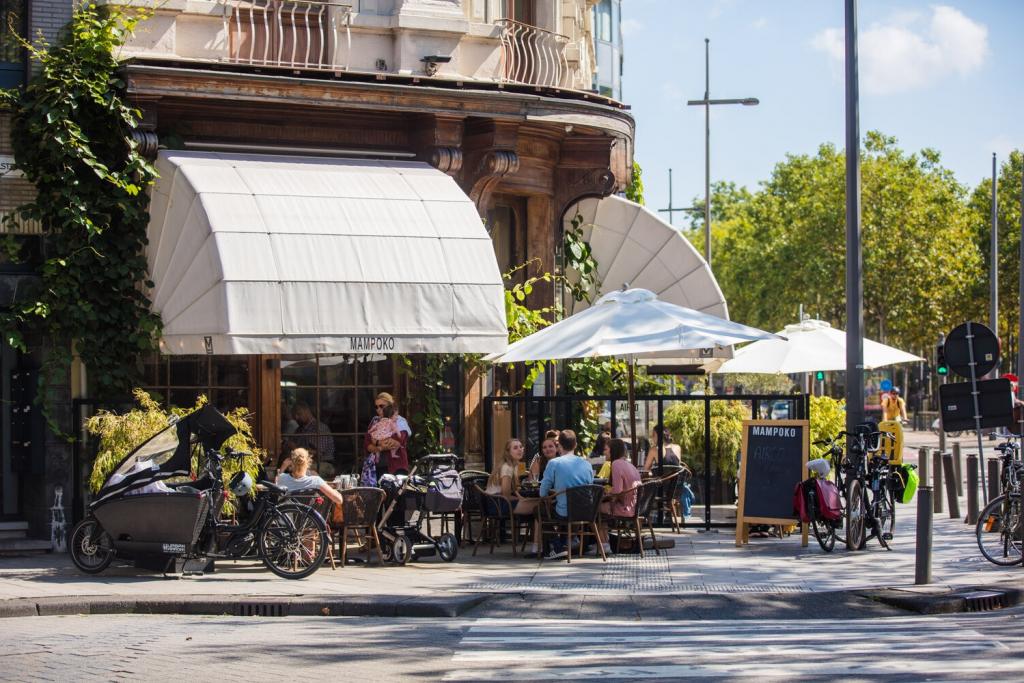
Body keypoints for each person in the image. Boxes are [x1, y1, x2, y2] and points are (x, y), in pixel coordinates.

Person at [539, 430, 594, 559]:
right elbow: (589, 488)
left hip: (565, 512)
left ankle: (557, 547)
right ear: (575, 445)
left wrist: (553, 494)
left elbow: (542, 492)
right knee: (565, 508)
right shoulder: (587, 464)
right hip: (585, 511)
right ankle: (564, 545)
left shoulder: (554, 463)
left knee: (540, 510)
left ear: (559, 446)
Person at [597, 438, 642, 554]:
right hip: (634, 507)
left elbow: (617, 490)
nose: (604, 452)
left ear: (613, 450)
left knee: (595, 509)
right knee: (602, 507)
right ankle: (604, 542)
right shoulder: (630, 465)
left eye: (607, 450)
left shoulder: (616, 464)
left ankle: (604, 544)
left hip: (624, 508)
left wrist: (607, 493)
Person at [275, 448, 344, 510]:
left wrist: (283, 467)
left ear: (291, 463)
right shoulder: (315, 480)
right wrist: (336, 492)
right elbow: (339, 500)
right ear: (308, 462)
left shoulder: (282, 478)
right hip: (306, 521)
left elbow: (276, 487)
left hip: (285, 521)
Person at [364, 392, 412, 478]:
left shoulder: (400, 422)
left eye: (381, 406)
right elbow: (367, 444)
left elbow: (394, 443)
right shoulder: (375, 421)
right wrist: (379, 446)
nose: (378, 409)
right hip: (377, 468)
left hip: (397, 467)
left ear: (391, 406)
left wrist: (376, 442)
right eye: (376, 407)